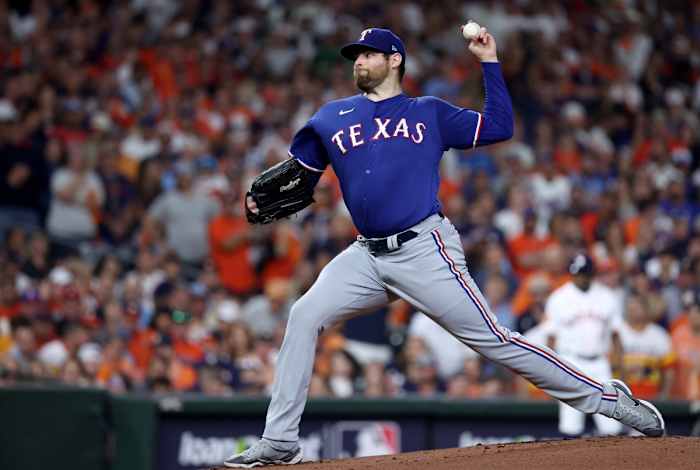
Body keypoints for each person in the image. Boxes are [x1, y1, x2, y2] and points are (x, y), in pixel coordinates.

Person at [224, 26, 664, 468]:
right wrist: (262, 194)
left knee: (496, 341)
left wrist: (489, 62)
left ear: (395, 60)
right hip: (366, 255)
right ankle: (280, 440)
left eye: (369, 55)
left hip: (424, 249)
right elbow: (299, 174)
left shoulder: (427, 112)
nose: (358, 62)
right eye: (355, 56)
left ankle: (608, 400)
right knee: (303, 315)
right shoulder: (331, 118)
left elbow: (499, 126)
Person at [543, 254, 624, 437]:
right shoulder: (559, 298)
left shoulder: (607, 296)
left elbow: (616, 335)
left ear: (592, 273)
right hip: (570, 362)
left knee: (611, 425)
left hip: (600, 363)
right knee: (570, 425)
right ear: (572, 274)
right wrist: (550, 373)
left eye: (585, 273)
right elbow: (550, 339)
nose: (582, 277)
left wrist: (619, 365)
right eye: (578, 274)